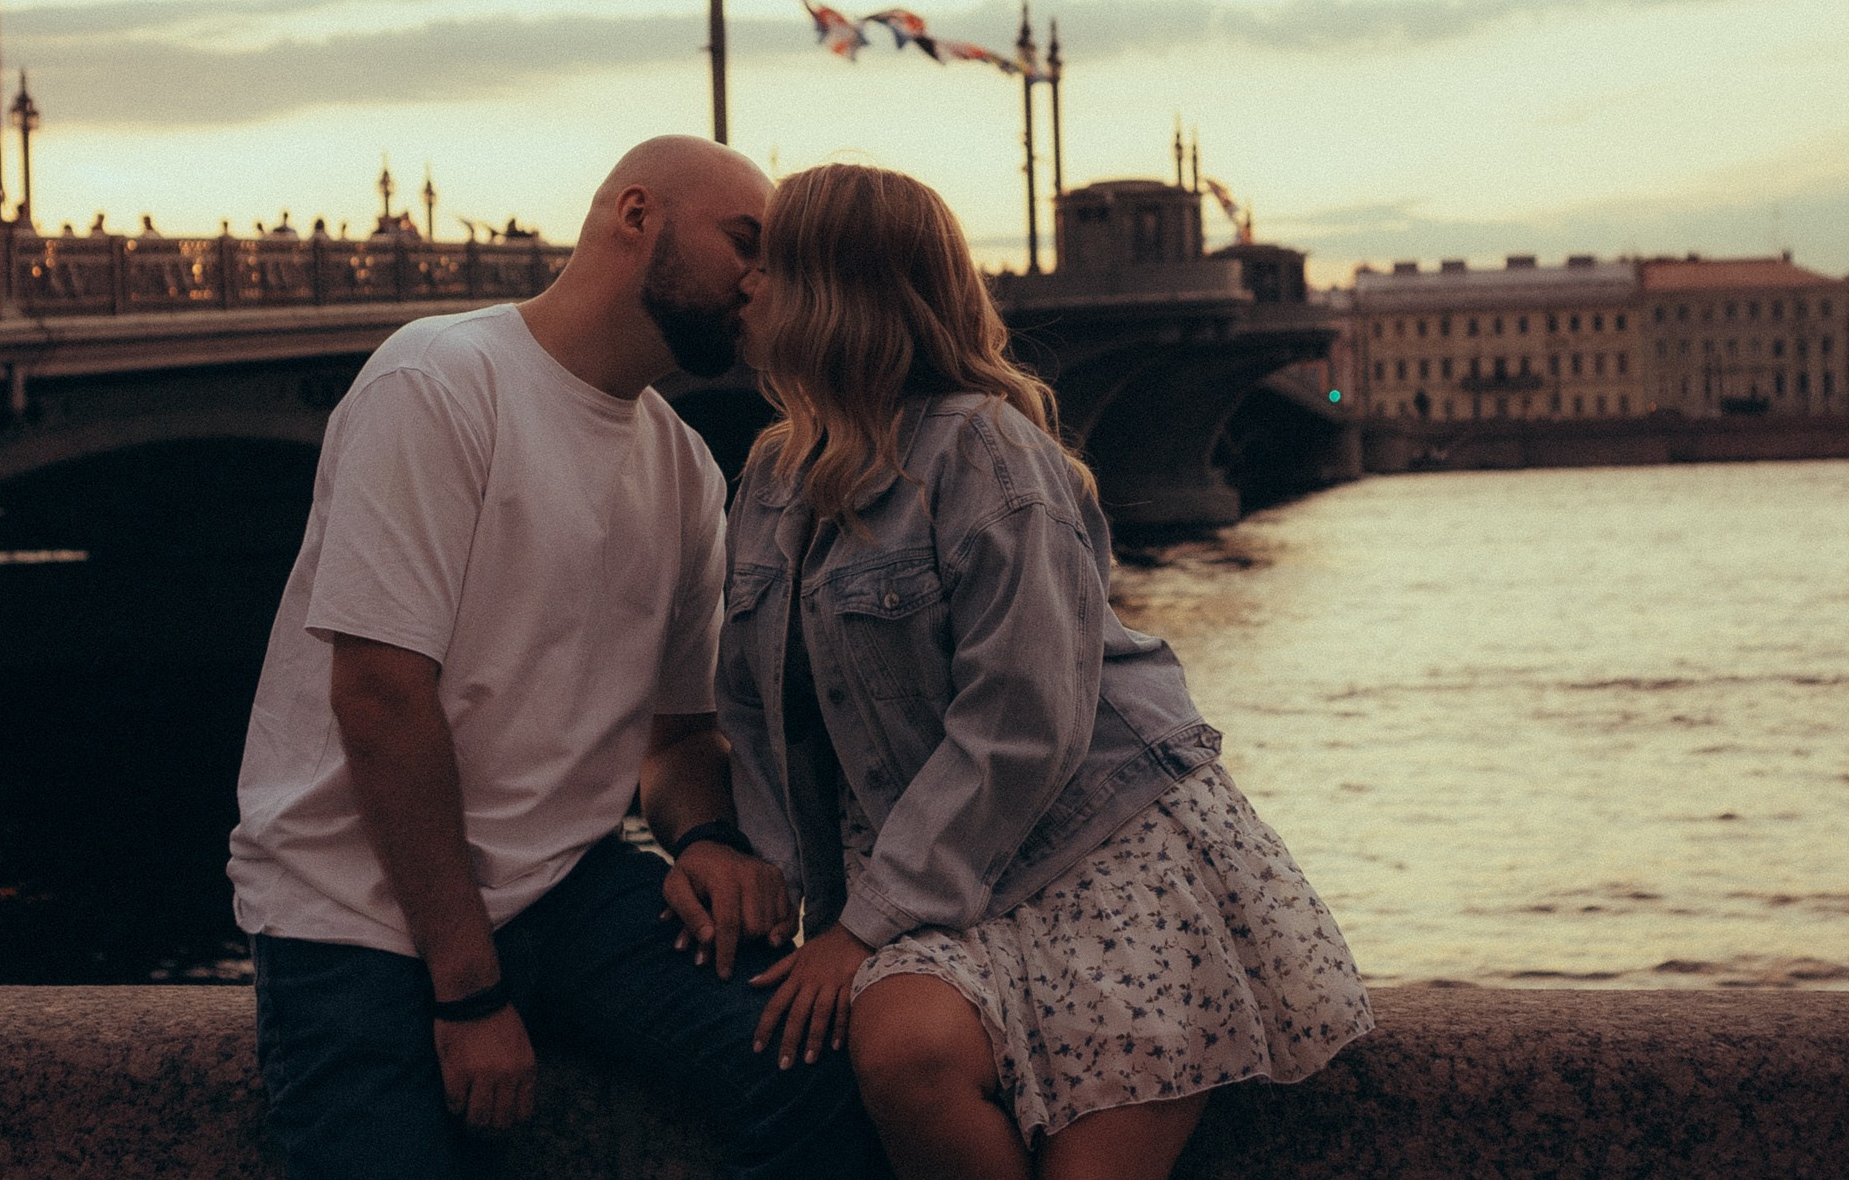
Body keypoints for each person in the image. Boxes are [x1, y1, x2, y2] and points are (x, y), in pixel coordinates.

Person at [228, 136, 882, 1180]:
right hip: (360, 916)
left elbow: (675, 738)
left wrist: (706, 837)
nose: (763, 281)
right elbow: (382, 698)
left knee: (813, 1063)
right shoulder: (439, 382)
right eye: (744, 243)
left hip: (566, 893)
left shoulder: (677, 465)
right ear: (636, 217)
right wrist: (470, 990)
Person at [719, 163, 1371, 1180]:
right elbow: (754, 716)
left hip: (1098, 857)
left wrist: (859, 927)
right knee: (902, 1045)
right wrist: (768, 881)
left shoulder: (985, 452)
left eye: (769, 261)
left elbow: (1024, 723)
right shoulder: (768, 476)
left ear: (836, 288)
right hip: (930, 869)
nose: (742, 283)